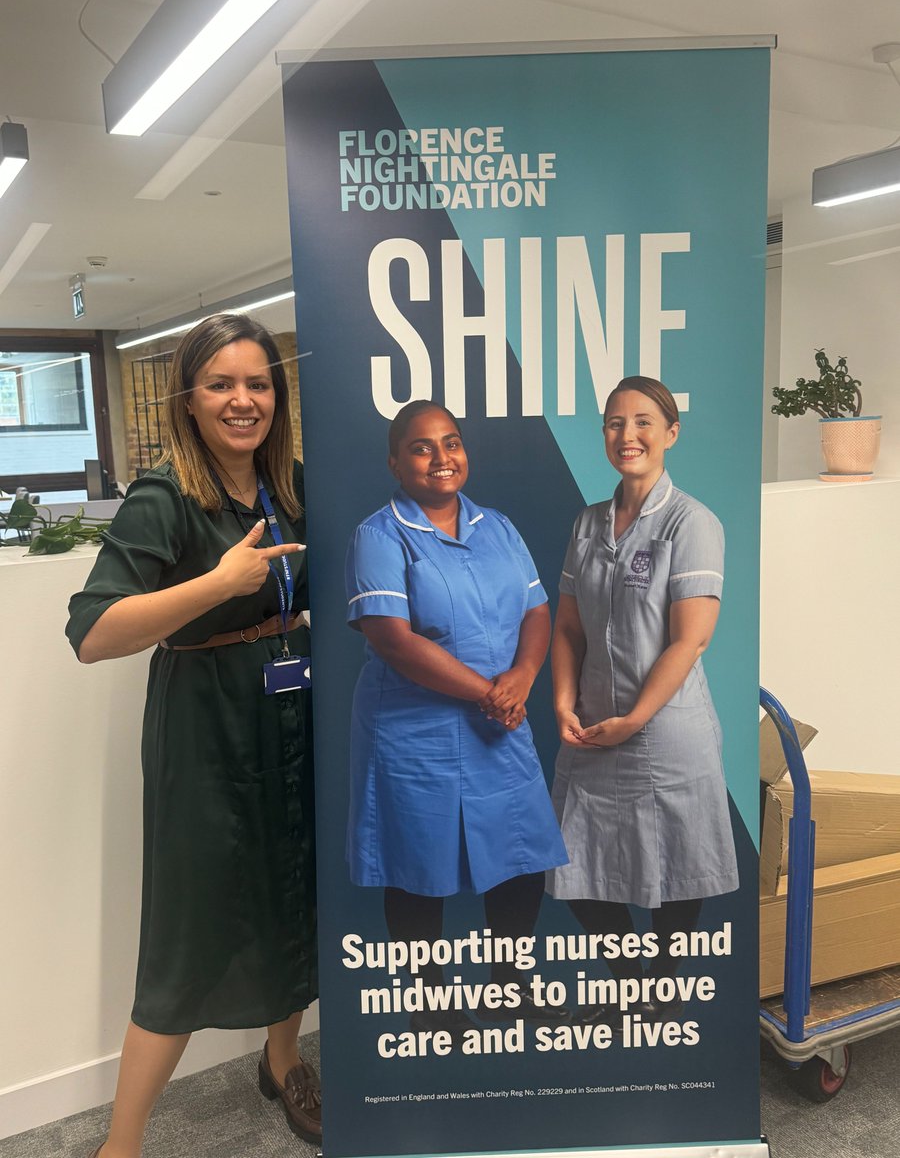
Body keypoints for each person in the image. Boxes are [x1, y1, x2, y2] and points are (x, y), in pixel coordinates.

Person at [66, 314, 320, 1157]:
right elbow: (94, 631)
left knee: (295, 897)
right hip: (205, 733)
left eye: (258, 383)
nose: (243, 400)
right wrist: (217, 583)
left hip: (292, 714)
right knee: (188, 931)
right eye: (221, 384)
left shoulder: (293, 486)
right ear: (190, 396)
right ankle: (122, 1142)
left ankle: (283, 1066)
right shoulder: (165, 494)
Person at [344, 400, 568, 1032]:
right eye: (421, 447)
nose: (441, 458)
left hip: (501, 717)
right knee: (418, 864)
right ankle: (429, 1002)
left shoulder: (496, 525)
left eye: (451, 443)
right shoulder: (378, 535)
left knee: (518, 854)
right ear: (395, 461)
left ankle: (509, 982)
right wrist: (486, 692)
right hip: (415, 731)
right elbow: (393, 638)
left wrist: (521, 678)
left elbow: (536, 611)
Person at [546, 375, 738, 1024]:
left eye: (643, 422)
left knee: (677, 866)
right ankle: (635, 981)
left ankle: (664, 980)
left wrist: (635, 719)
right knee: (577, 865)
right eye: (613, 422)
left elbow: (691, 640)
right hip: (596, 726)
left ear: (671, 433)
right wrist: (565, 702)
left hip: (665, 729)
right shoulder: (586, 523)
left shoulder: (693, 523)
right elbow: (568, 626)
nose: (627, 435)